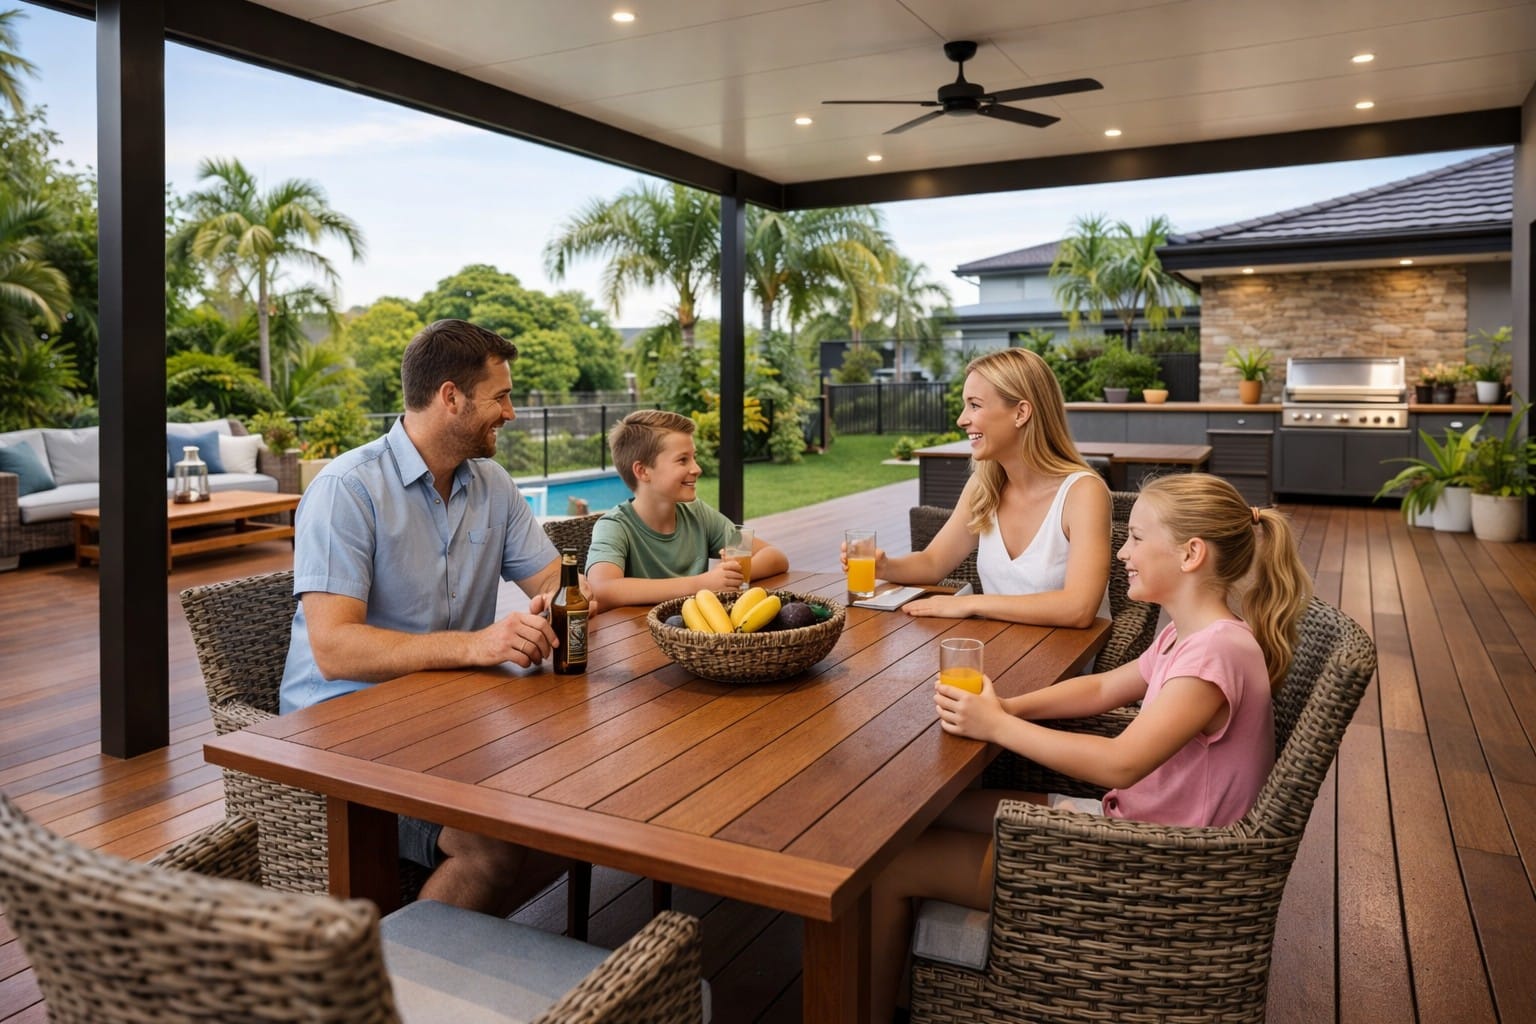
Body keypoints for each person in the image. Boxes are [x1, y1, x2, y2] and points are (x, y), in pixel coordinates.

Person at [868, 473, 1313, 1022]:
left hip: (1157, 869)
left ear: (1191, 553)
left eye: (1137, 539)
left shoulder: (1215, 655)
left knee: (893, 865)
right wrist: (1007, 706)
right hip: (1137, 827)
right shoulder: (1190, 634)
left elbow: (1120, 763)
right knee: (923, 817)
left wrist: (1000, 729)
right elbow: (1103, 687)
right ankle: (907, 987)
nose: (1121, 551)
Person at [279, 318, 580, 917]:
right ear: (451, 397)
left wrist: (558, 600)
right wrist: (475, 646)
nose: (512, 412)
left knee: (575, 793)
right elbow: (335, 649)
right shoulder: (347, 489)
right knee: (492, 847)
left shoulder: (491, 483)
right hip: (344, 738)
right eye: (501, 396)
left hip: (451, 718)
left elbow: (554, 580)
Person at [847, 347, 1110, 626]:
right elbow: (933, 563)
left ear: (1021, 413)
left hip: (1069, 662)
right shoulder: (984, 487)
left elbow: (1079, 609)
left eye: (974, 405)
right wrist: (884, 566)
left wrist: (970, 604)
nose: (962, 419)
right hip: (1001, 650)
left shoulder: (1083, 494)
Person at [584, 409, 788, 607]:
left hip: (694, 634)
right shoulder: (615, 526)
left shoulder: (698, 515)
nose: (697, 469)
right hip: (635, 637)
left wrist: (731, 575)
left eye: (694, 457)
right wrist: (701, 584)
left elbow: (774, 556)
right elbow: (602, 588)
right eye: (683, 460)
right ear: (643, 471)